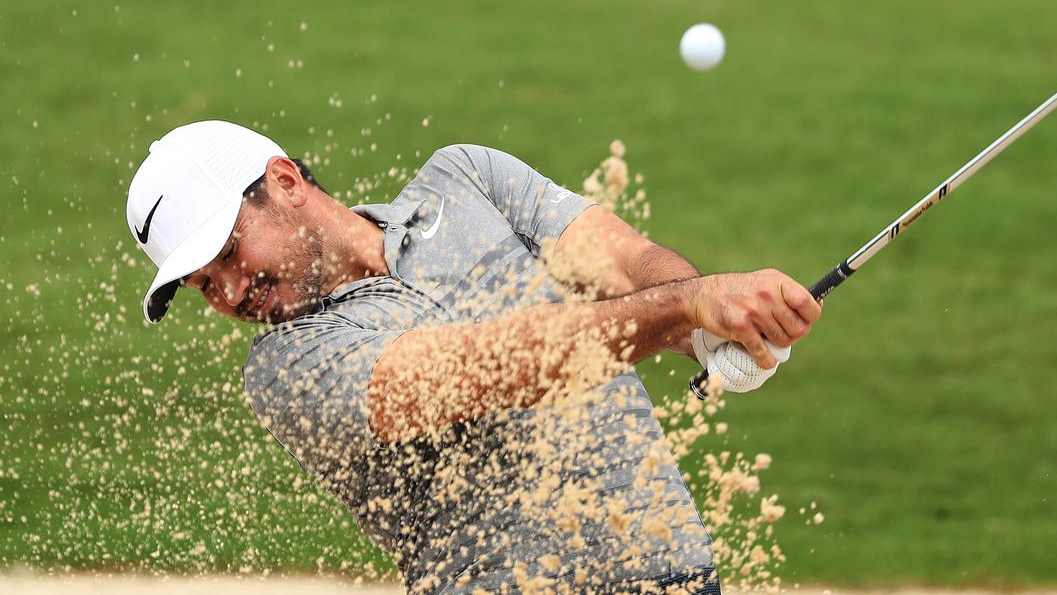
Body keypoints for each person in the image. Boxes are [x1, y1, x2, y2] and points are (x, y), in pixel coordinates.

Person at [125, 120, 821, 594]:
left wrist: (707, 327)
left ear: (284, 180)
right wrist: (687, 308)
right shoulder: (286, 366)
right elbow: (488, 369)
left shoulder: (466, 180)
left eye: (228, 253)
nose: (230, 291)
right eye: (203, 285)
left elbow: (629, 266)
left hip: (675, 576)